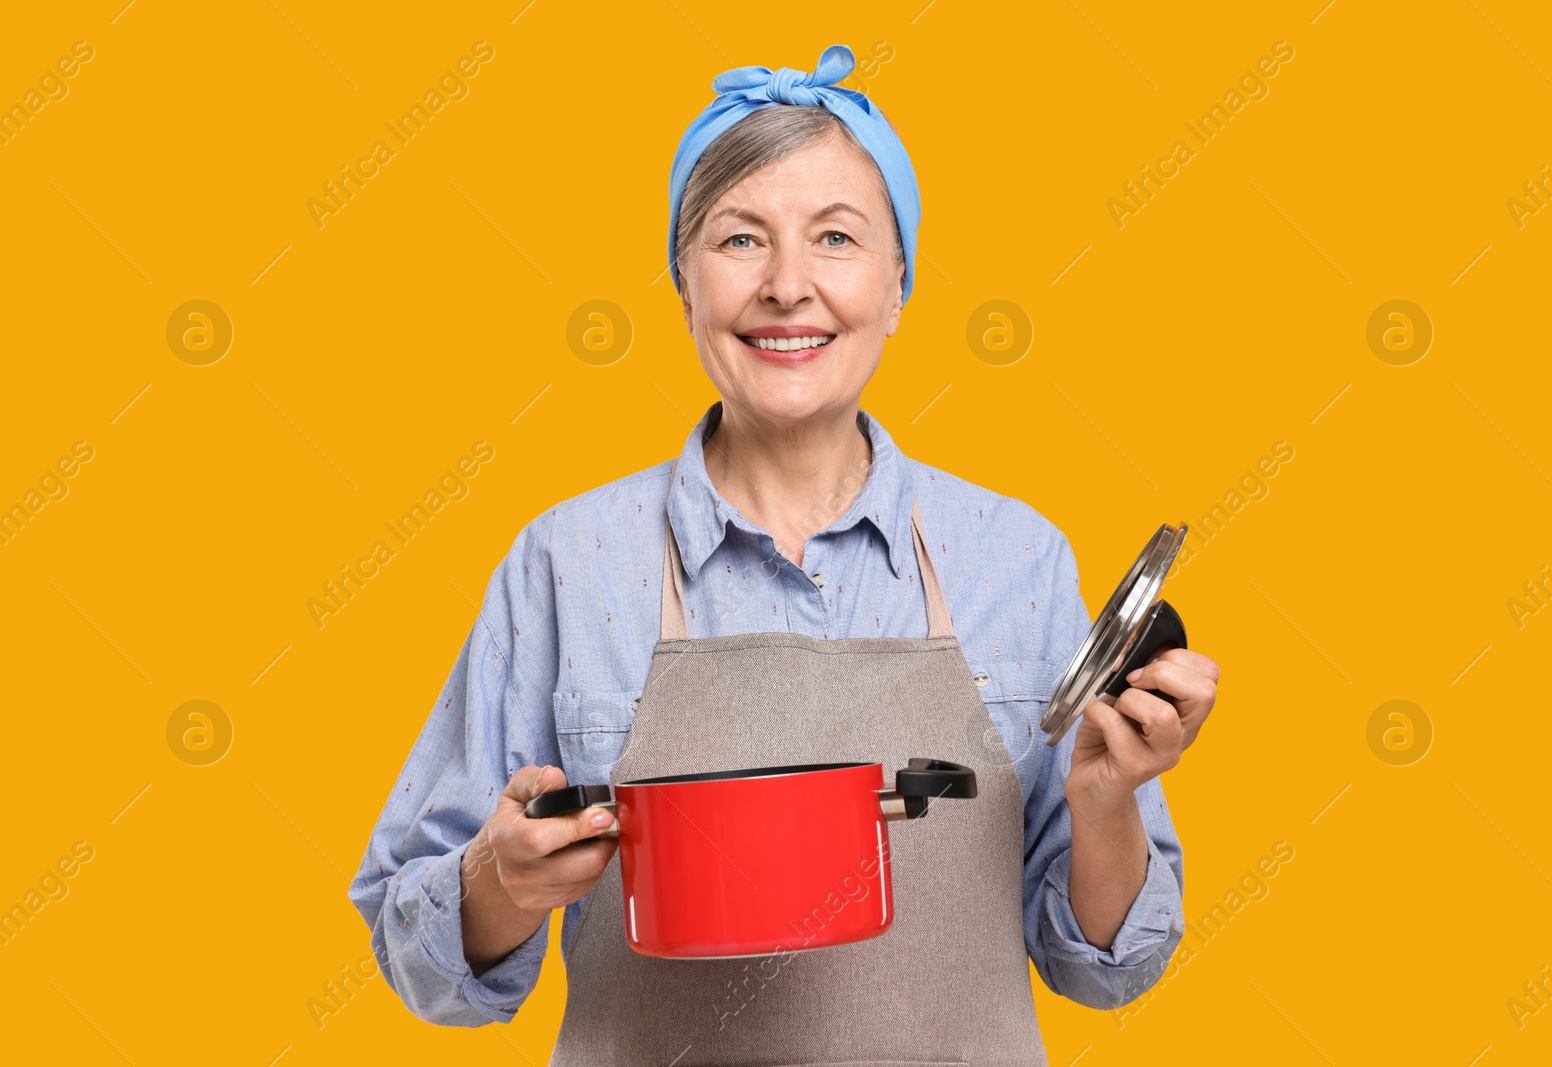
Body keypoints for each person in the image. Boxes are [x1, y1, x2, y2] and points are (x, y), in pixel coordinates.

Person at [349, 43, 1219, 1063]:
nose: (787, 285)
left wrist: (1105, 797)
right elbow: (417, 956)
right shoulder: (567, 562)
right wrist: (498, 879)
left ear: (899, 285)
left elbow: (1106, 966)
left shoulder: (1013, 558)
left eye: (837, 237)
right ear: (682, 281)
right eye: (739, 239)